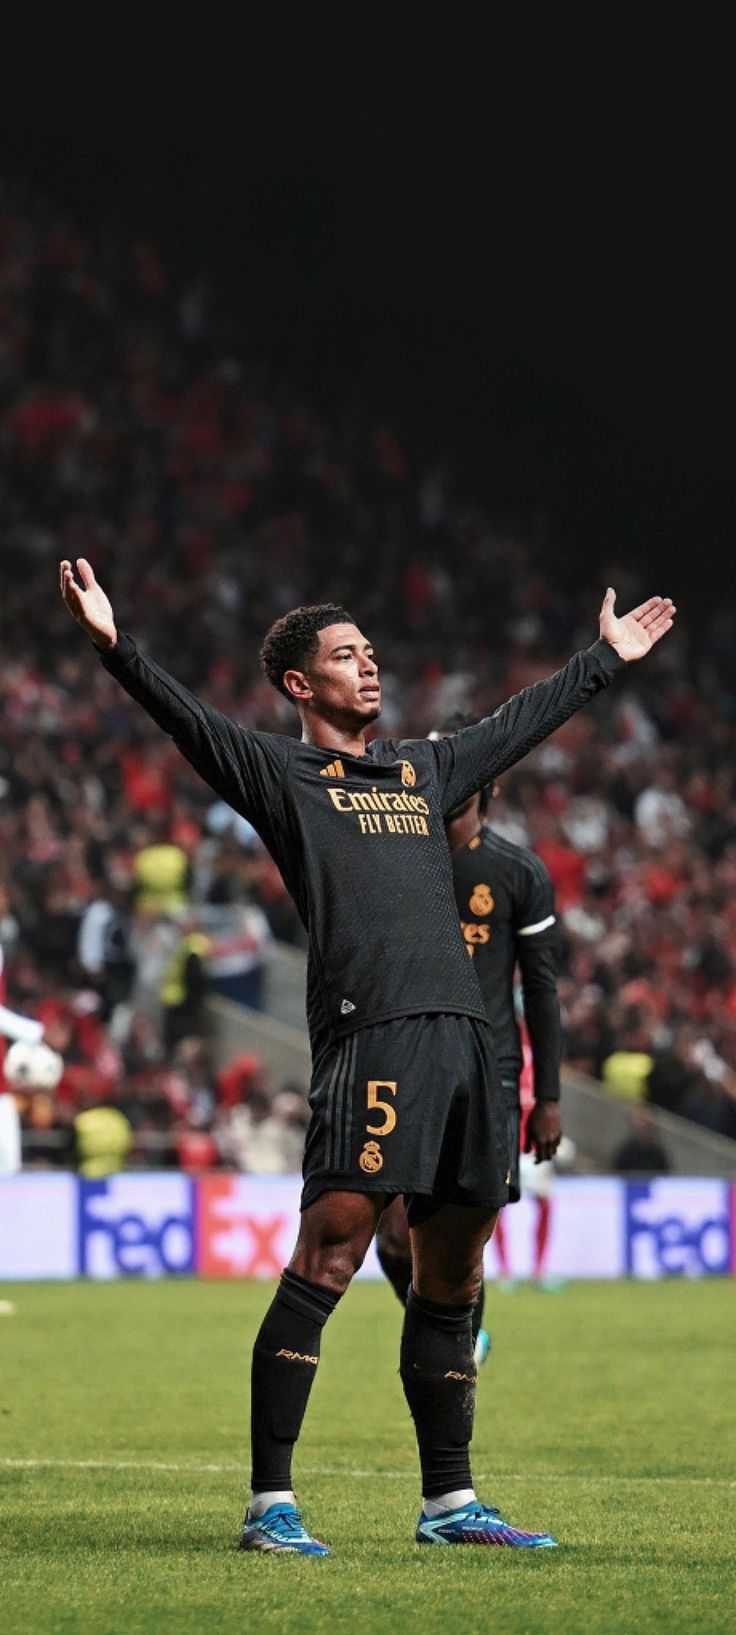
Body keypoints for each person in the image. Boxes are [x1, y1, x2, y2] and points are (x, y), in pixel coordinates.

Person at [60, 557, 675, 1555]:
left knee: (452, 1280)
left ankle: (449, 1505)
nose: (369, 668)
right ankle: (270, 1503)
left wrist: (603, 660)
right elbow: (189, 724)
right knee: (334, 1246)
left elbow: (516, 724)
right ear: (301, 685)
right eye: (346, 657)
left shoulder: (422, 770)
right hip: (373, 1034)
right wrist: (115, 646)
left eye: (370, 653)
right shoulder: (285, 775)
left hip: (471, 1049)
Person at [376, 768, 562, 1338]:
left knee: (460, 1238)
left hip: (491, 1076)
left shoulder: (515, 870)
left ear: (489, 784)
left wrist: (547, 1097)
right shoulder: (402, 860)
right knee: (391, 1234)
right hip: (409, 1068)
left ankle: (455, 1358)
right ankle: (447, 1338)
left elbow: (540, 988)